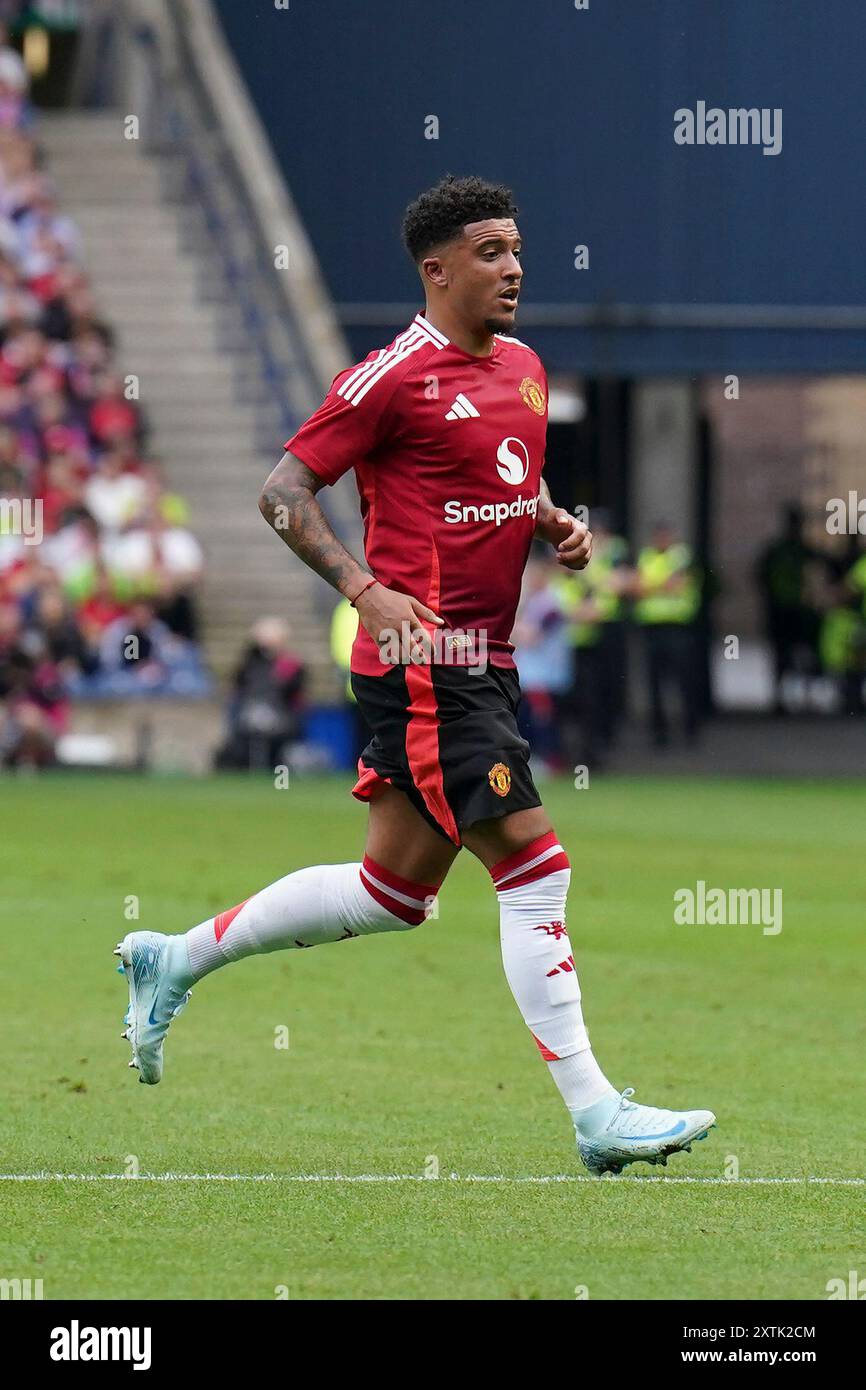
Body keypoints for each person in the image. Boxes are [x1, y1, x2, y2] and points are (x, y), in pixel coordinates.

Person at [115, 176, 714, 1177]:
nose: (514, 266)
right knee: (534, 866)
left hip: (487, 660)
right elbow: (282, 490)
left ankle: (174, 956)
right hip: (425, 661)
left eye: (517, 247)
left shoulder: (521, 367)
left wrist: (549, 520)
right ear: (435, 270)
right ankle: (594, 1111)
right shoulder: (387, 377)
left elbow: (506, 476)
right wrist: (362, 585)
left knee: (388, 893)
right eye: (489, 251)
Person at [634, 521, 702, 747]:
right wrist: (660, 585)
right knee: (655, 684)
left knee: (684, 682)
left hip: (677, 627)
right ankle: (659, 734)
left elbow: (678, 585)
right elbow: (637, 588)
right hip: (652, 628)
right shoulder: (647, 557)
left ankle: (691, 731)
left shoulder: (681, 556)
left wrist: (650, 586)